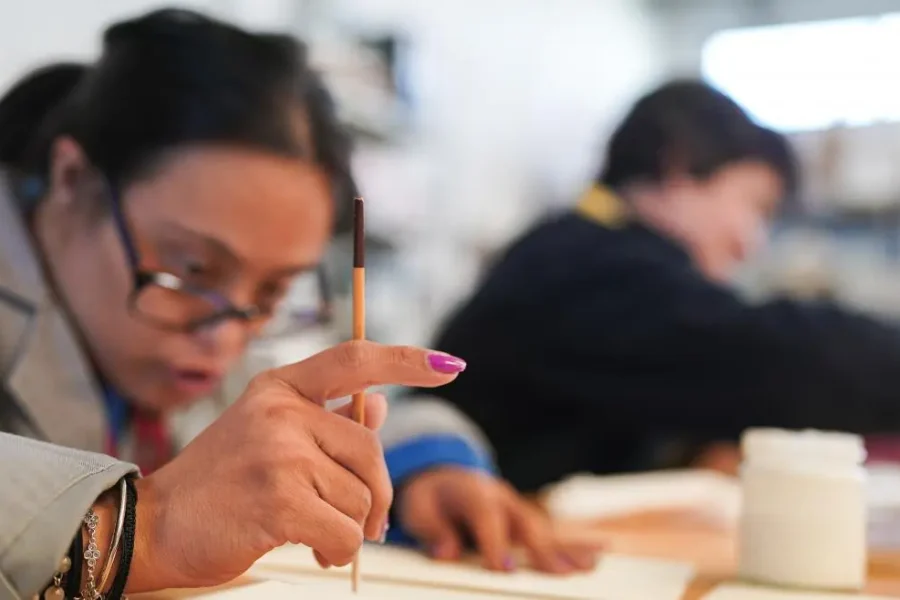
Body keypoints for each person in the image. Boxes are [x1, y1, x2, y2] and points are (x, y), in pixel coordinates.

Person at [0, 10, 597, 600]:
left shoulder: (201, 325)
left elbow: (321, 419)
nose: (227, 339)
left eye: (274, 291)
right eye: (192, 268)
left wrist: (425, 468)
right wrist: (146, 525)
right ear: (73, 181)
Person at [407, 79, 900, 494]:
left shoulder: (573, 246)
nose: (752, 244)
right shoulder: (585, 265)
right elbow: (774, 359)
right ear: (680, 167)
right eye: (756, 206)